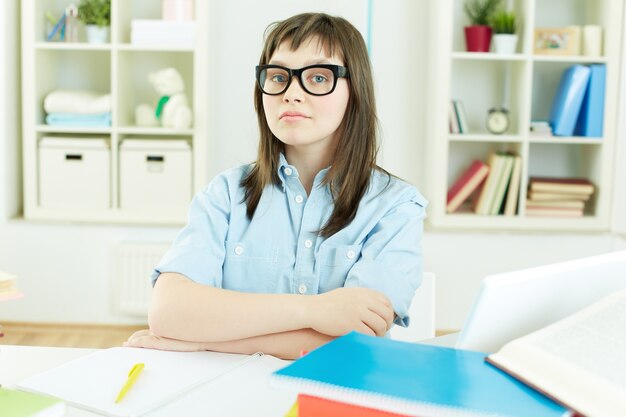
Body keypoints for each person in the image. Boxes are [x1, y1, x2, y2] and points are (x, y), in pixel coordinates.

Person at [125, 12, 427, 360]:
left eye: (317, 77)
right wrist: (315, 311)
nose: (292, 94)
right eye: (279, 76)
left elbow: (357, 347)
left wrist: (208, 340)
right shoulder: (226, 194)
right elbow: (168, 312)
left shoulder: (395, 206)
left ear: (355, 90)